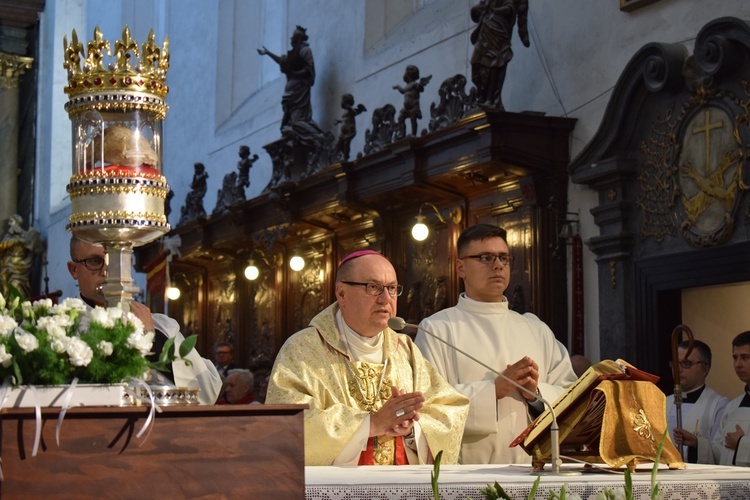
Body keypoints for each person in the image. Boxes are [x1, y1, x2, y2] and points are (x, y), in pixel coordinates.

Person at [266, 250, 469, 466]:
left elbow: (448, 410)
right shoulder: (303, 349)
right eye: (373, 288)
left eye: (391, 288)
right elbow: (286, 424)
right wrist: (371, 424)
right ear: (342, 293)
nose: (386, 298)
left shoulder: (405, 349)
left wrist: (412, 429)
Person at [415, 224, 577, 464]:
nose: (498, 265)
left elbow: (572, 396)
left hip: (532, 472)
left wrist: (536, 395)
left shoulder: (535, 329)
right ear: (461, 267)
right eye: (486, 258)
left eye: (504, 258)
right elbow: (427, 405)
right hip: (468, 477)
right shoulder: (437, 329)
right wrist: (492, 391)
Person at [67, 236, 222, 405]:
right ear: (74, 270)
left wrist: (154, 341)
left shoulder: (161, 326)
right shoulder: (60, 329)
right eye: (95, 261)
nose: (107, 271)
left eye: (116, 261)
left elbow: (206, 393)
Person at [667, 340, 728, 463]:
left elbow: (721, 452)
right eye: (675, 363)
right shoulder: (662, 402)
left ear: (705, 369)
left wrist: (697, 444)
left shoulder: (719, 405)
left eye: (686, 363)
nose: (678, 369)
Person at [469, 0, 529, 110]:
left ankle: (490, 99)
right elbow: (478, 10)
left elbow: (510, 9)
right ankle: (482, 94)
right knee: (475, 63)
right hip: (484, 30)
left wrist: (494, 11)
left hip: (497, 29)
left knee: (494, 63)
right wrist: (475, 10)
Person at [710, 331, 750, 466]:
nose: (738, 364)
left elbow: (736, 443)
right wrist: (697, 444)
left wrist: (741, 443)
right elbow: (720, 452)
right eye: (735, 357)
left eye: (745, 357)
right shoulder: (733, 406)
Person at [392, 65, 431, 139]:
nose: (404, 74)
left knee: (413, 119)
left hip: (414, 106)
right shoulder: (407, 86)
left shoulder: (414, 84)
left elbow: (421, 89)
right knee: (400, 117)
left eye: (405, 72)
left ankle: (413, 133)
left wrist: (420, 85)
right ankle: (402, 134)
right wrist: (397, 87)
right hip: (406, 108)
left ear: (409, 74)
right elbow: (403, 91)